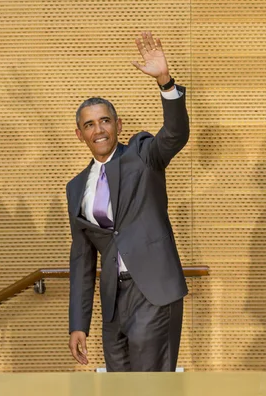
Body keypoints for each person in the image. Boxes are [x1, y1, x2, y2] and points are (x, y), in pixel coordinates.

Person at [66, 32, 189, 372]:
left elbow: (175, 134)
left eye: (105, 120)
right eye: (89, 125)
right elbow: (82, 260)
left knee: (150, 389)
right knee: (119, 388)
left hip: (153, 291)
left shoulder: (141, 154)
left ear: (118, 125)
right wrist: (78, 323)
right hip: (113, 302)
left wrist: (165, 82)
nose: (99, 129)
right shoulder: (76, 187)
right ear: (80, 134)